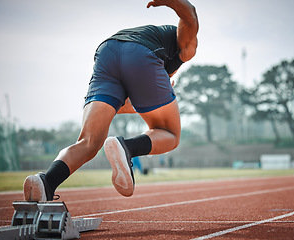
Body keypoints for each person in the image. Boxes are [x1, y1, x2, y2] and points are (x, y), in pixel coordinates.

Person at [23, 0, 199, 201]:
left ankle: (46, 182)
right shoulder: (184, 49)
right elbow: (190, 17)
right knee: (170, 134)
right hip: (141, 53)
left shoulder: (153, 53)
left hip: (107, 51)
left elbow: (122, 106)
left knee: (89, 141)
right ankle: (128, 148)